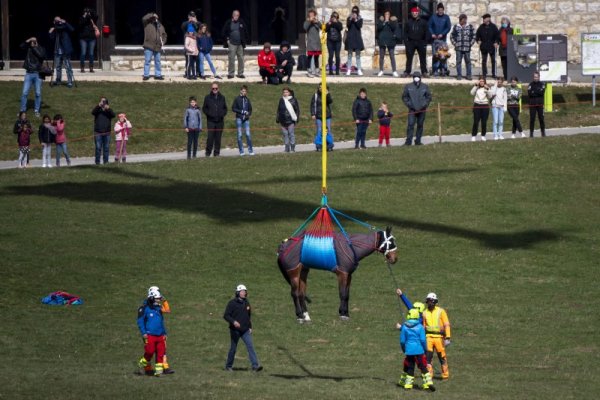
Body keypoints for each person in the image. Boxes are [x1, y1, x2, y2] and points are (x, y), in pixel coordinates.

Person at [223, 284, 263, 372]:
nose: (244, 293)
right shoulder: (232, 303)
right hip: (235, 330)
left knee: (250, 346)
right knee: (233, 348)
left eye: (245, 291)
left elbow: (248, 316)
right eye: (242, 291)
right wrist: (233, 322)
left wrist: (250, 327)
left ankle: (255, 366)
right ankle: (228, 366)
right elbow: (226, 315)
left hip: (245, 330)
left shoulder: (246, 302)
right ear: (237, 293)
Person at [399, 308, 435, 391]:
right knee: (423, 366)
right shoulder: (420, 327)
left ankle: (408, 385)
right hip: (419, 350)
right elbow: (423, 340)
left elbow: (402, 341)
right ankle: (428, 382)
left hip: (409, 350)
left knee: (410, 367)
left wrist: (404, 349)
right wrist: (425, 349)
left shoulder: (404, 327)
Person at [137, 287, 170, 377]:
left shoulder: (158, 308)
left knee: (160, 353)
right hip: (149, 335)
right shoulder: (144, 308)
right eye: (157, 298)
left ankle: (158, 372)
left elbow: (161, 321)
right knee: (150, 351)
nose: (159, 300)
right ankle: (142, 364)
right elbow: (140, 321)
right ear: (151, 298)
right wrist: (144, 333)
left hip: (160, 335)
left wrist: (164, 333)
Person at [423, 292, 451, 380]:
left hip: (439, 338)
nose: (430, 303)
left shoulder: (441, 311)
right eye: (429, 301)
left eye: (431, 301)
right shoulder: (424, 313)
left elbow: (446, 324)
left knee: (442, 357)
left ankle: (445, 375)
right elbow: (424, 327)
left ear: (435, 301)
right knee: (428, 358)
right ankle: (429, 376)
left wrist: (448, 337)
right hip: (428, 338)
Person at [401, 71, 432, 146]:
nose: (416, 78)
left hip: (422, 109)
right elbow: (404, 97)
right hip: (412, 110)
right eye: (415, 77)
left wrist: (424, 105)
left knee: (420, 125)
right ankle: (408, 141)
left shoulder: (425, 86)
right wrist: (409, 104)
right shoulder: (408, 86)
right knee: (410, 125)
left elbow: (428, 97)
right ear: (413, 78)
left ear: (420, 78)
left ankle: (418, 141)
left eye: (417, 77)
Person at [19, 37, 46, 117]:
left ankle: (37, 110)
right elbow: (21, 46)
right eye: (32, 41)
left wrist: (34, 47)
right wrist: (28, 40)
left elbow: (41, 56)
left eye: (34, 41)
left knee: (38, 93)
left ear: (37, 42)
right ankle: (22, 110)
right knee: (24, 93)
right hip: (29, 73)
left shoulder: (41, 48)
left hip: (38, 74)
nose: (32, 43)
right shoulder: (29, 48)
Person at [222, 10, 249, 79]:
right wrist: (227, 40)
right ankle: (231, 74)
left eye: (237, 15)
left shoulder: (241, 22)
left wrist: (245, 41)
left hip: (240, 44)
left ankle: (240, 73)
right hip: (232, 44)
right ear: (232, 15)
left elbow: (246, 31)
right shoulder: (229, 22)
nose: (236, 17)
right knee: (231, 59)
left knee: (241, 59)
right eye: (235, 15)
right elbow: (224, 32)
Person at [202, 82, 228, 157]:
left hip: (220, 121)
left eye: (216, 88)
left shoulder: (222, 97)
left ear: (218, 89)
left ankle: (216, 153)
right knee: (210, 138)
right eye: (213, 88)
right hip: (211, 121)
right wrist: (209, 114)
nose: (214, 90)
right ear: (211, 89)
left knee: (218, 138)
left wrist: (222, 114)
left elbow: (225, 108)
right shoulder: (207, 97)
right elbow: (204, 108)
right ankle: (208, 152)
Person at [49, 16, 75, 88]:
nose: (58, 21)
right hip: (57, 51)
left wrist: (65, 22)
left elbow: (72, 29)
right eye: (56, 20)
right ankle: (58, 81)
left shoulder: (65, 27)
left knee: (68, 67)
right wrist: (50, 32)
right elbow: (51, 38)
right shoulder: (55, 29)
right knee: (58, 67)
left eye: (59, 20)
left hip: (65, 51)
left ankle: (69, 82)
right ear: (54, 22)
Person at [402, 7, 428, 78]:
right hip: (411, 42)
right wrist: (406, 43)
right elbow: (405, 33)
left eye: (416, 13)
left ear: (418, 13)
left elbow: (426, 33)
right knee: (409, 58)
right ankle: (407, 72)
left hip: (421, 42)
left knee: (422, 58)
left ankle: (424, 72)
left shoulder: (423, 22)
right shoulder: (408, 22)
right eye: (413, 13)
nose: (414, 14)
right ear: (411, 13)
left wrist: (425, 42)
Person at [142, 12, 167, 81]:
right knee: (147, 61)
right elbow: (144, 18)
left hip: (158, 46)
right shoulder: (147, 24)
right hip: (148, 45)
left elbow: (164, 35)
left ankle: (158, 75)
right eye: (154, 18)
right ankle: (146, 75)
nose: (155, 19)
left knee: (158, 61)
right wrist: (152, 15)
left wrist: (163, 42)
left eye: (156, 18)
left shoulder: (160, 26)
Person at [450, 14, 475, 80]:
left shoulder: (470, 26)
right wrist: (455, 44)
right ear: (460, 20)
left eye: (465, 19)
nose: (464, 21)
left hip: (467, 48)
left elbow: (474, 36)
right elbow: (452, 36)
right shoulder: (456, 27)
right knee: (458, 62)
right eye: (462, 20)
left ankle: (469, 75)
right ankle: (459, 75)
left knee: (468, 62)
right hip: (459, 48)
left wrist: (470, 44)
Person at [428, 2, 451, 74]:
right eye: (439, 10)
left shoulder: (446, 17)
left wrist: (442, 34)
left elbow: (448, 27)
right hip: (435, 40)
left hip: (443, 40)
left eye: (442, 10)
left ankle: (443, 69)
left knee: (443, 55)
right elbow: (429, 26)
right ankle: (435, 70)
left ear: (443, 10)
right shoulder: (433, 17)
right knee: (436, 55)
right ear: (437, 10)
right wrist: (432, 33)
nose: (440, 11)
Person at [310, 83, 334, 151]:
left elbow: (330, 101)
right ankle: (319, 145)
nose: (321, 88)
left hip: (327, 115)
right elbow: (312, 105)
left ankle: (329, 145)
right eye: (320, 87)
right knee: (319, 130)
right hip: (319, 116)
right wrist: (313, 114)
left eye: (322, 87)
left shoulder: (327, 94)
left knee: (328, 130)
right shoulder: (315, 95)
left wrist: (327, 94)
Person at [92, 96, 115, 164]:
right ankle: (97, 162)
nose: (103, 103)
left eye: (104, 101)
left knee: (106, 148)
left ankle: (106, 161)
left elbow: (113, 115)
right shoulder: (98, 110)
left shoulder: (108, 111)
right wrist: (98, 106)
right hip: (98, 132)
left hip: (107, 132)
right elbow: (93, 112)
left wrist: (108, 108)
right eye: (102, 101)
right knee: (98, 148)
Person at [475, 14, 500, 79]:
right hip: (484, 47)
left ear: (488, 19)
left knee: (493, 60)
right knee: (484, 60)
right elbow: (477, 36)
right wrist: (478, 41)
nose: (483, 20)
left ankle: (494, 73)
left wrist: (496, 42)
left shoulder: (493, 27)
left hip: (492, 46)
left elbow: (497, 36)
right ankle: (484, 73)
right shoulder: (481, 27)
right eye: (483, 18)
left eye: (484, 18)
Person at [232, 85, 254, 155]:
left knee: (248, 134)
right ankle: (241, 151)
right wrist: (241, 112)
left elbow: (250, 109)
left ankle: (250, 150)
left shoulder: (247, 99)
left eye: (245, 91)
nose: (244, 92)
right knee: (240, 135)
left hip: (246, 119)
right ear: (240, 91)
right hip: (239, 118)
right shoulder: (237, 99)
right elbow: (233, 108)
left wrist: (248, 114)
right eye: (243, 91)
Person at [276, 87, 300, 153]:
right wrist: (277, 118)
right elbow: (279, 110)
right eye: (284, 92)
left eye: (286, 92)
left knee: (291, 134)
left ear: (289, 93)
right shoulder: (281, 100)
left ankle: (292, 148)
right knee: (285, 134)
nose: (285, 93)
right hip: (282, 120)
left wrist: (297, 119)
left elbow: (297, 110)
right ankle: (287, 148)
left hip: (290, 120)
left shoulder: (293, 100)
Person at [376, 11, 399, 77]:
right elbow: (379, 28)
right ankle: (381, 70)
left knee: (392, 56)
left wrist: (388, 22)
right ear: (384, 15)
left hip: (390, 41)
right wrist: (384, 23)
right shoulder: (381, 21)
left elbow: (394, 28)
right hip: (382, 40)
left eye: (388, 14)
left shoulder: (392, 21)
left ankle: (394, 71)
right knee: (381, 56)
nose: (387, 15)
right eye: (386, 14)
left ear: (390, 15)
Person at [470, 76, 491, 141]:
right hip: (477, 105)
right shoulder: (477, 88)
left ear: (485, 82)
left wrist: (488, 89)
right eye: (480, 81)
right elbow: (471, 93)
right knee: (476, 121)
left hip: (485, 106)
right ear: (479, 82)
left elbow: (490, 96)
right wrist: (475, 85)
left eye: (483, 81)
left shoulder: (487, 88)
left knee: (484, 122)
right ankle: (474, 135)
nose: (481, 82)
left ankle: (483, 135)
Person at [345, 5, 365, 76]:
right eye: (353, 11)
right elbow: (348, 25)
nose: (354, 13)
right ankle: (348, 69)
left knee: (358, 55)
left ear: (358, 12)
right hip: (350, 39)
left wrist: (356, 19)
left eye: (356, 11)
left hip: (357, 39)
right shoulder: (349, 18)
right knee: (349, 55)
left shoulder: (360, 19)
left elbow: (359, 26)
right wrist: (351, 19)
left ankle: (359, 69)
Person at [78, 7, 98, 73]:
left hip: (92, 38)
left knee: (91, 54)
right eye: (86, 11)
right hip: (83, 38)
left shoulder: (92, 18)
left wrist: (91, 12)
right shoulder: (81, 18)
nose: (87, 13)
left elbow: (96, 16)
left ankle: (91, 67)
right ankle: (82, 67)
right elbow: (80, 24)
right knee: (83, 53)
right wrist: (84, 16)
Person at [303, 9, 321, 77]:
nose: (312, 15)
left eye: (313, 14)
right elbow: (305, 28)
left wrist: (317, 22)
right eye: (310, 14)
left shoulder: (316, 22)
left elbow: (321, 27)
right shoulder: (307, 22)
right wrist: (310, 21)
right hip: (310, 42)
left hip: (317, 42)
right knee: (310, 57)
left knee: (316, 57)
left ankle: (316, 71)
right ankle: (309, 71)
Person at [528, 71, 546, 137]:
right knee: (532, 119)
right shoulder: (530, 84)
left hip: (540, 104)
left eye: (537, 77)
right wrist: (537, 91)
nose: (535, 78)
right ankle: (531, 133)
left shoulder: (542, 84)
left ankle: (543, 132)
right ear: (533, 77)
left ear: (539, 77)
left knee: (541, 118)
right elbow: (530, 93)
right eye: (534, 77)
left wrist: (534, 92)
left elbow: (542, 92)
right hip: (532, 104)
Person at [325, 11, 343, 76]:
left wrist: (335, 23)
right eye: (332, 16)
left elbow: (340, 28)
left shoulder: (339, 23)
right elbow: (325, 30)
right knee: (331, 56)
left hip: (337, 42)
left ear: (337, 18)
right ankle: (330, 70)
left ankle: (337, 71)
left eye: (335, 17)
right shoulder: (329, 23)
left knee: (337, 56)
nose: (333, 18)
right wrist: (329, 24)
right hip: (330, 42)